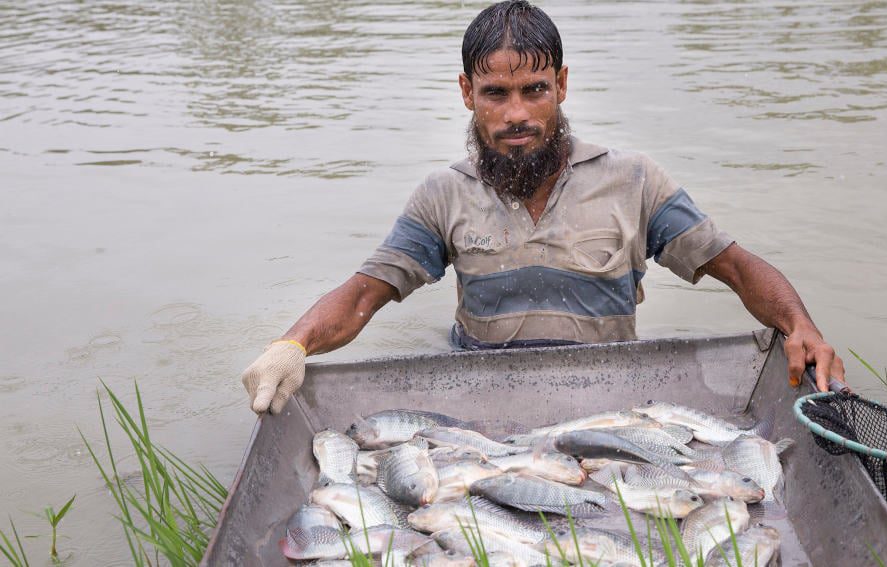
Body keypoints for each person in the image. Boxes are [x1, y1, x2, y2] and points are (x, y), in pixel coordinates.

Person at [241, 0, 847, 415]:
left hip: (608, 396)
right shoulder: (443, 194)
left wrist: (801, 326)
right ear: (465, 93)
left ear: (561, 84)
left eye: (534, 90)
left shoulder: (632, 180)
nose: (516, 116)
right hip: (481, 397)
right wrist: (291, 345)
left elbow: (735, 267)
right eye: (495, 94)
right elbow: (364, 293)